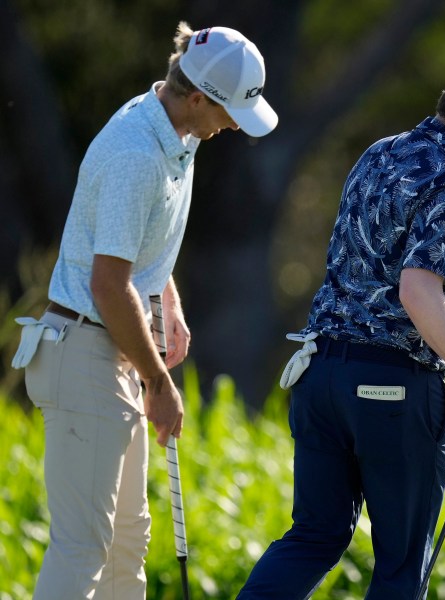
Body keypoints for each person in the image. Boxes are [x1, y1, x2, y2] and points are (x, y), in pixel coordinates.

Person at [238, 56, 445, 599]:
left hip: (319, 376)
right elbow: (418, 290)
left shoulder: (379, 152)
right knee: (402, 566)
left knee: (315, 534)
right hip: (392, 388)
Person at [12, 22, 278, 599]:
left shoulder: (175, 129)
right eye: (229, 112)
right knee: (83, 545)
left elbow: (137, 249)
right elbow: (108, 285)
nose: (233, 126)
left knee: (127, 541)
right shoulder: (138, 153)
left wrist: (169, 299)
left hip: (110, 353)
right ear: (199, 97)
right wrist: (159, 383)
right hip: (84, 351)